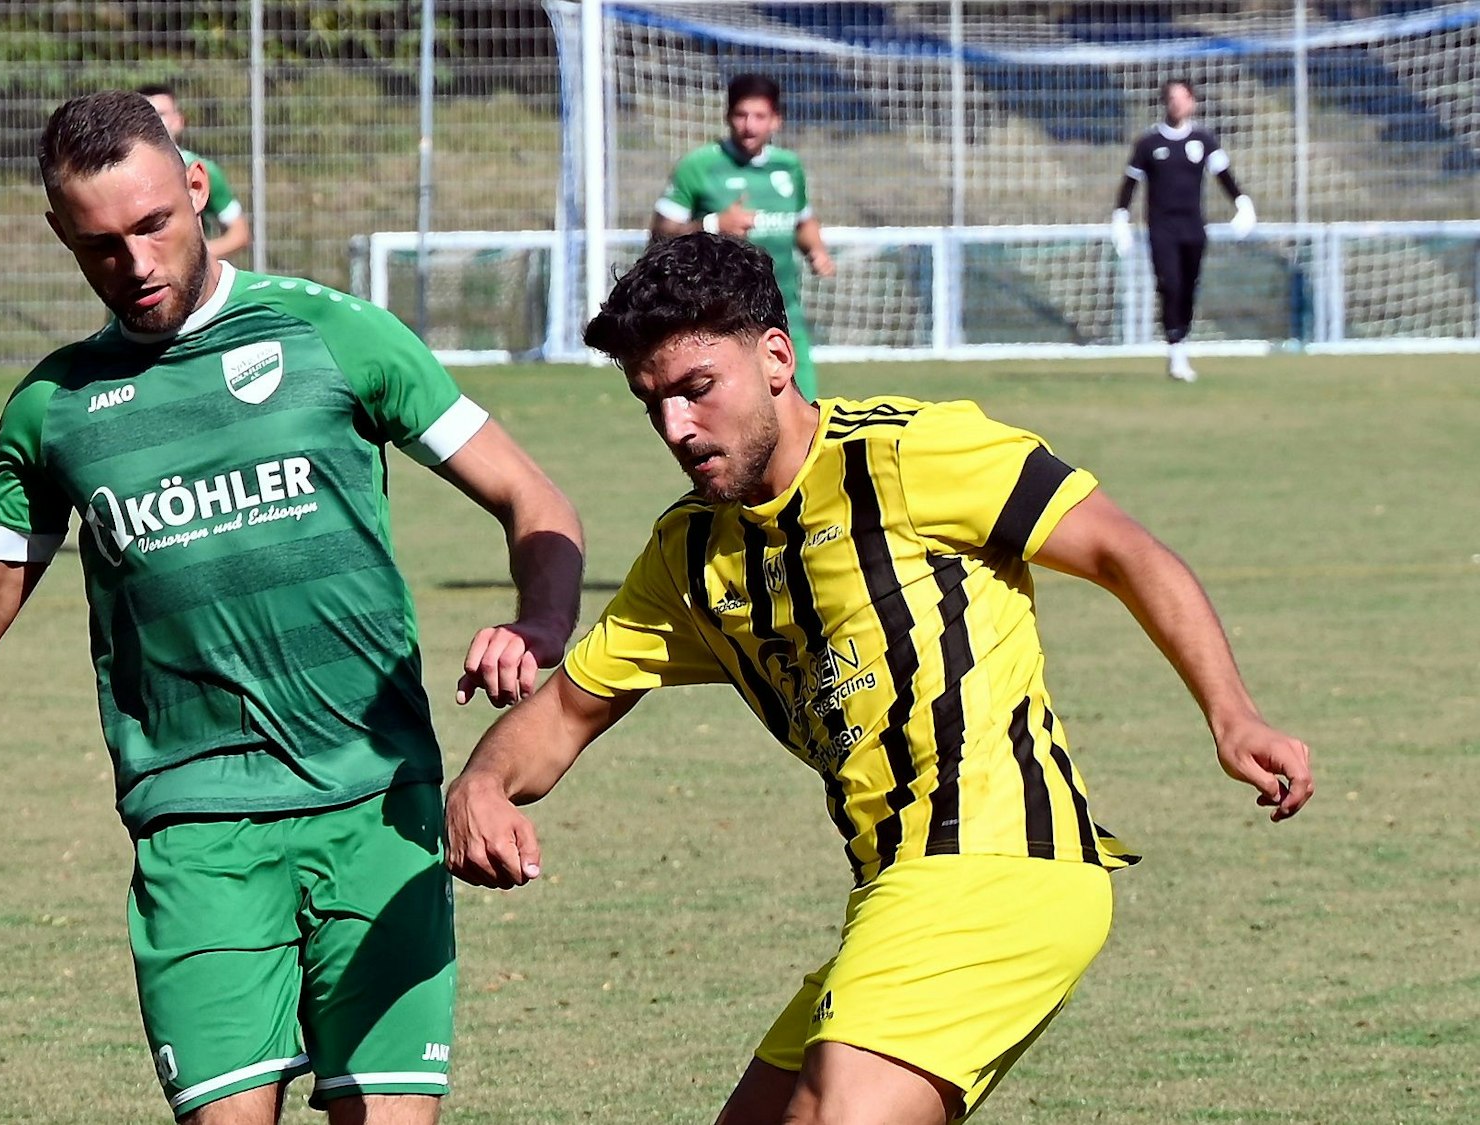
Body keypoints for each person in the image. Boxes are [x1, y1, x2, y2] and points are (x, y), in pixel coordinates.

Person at [0, 90, 585, 1125]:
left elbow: (531, 498)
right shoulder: (54, 412)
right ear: (60, 237)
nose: (133, 264)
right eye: (98, 246)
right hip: (196, 832)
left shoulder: (333, 335)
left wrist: (537, 624)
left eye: (151, 225)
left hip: (375, 809)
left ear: (197, 190)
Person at [444, 233, 1313, 1125]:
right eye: (652, 403)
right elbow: (563, 715)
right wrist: (482, 780)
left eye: (698, 389)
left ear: (776, 357)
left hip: (1001, 865)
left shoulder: (914, 454)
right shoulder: (693, 555)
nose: (677, 427)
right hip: (894, 892)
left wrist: (1232, 714)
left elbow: (1127, 551)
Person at [651, 73, 833, 401]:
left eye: (760, 116)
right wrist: (712, 224)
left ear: (776, 120)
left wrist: (816, 250)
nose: (749, 126)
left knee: (803, 405)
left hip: (783, 308)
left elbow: (803, 220)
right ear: (727, 116)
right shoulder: (700, 165)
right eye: (741, 115)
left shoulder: (788, 167)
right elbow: (660, 233)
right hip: (722, 314)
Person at [1112, 79, 1256, 383]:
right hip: (1162, 230)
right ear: (1165, 103)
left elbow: (1224, 175)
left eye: (1182, 98)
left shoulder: (1203, 140)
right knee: (1170, 286)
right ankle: (1176, 352)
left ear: (1192, 102)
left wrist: (1243, 204)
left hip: (1193, 228)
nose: (1176, 104)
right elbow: (1130, 183)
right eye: (1171, 98)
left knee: (1188, 289)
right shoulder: (1148, 144)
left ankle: (1182, 342)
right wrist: (1120, 217)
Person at [140, 82, 253, 261]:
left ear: (178, 121)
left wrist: (192, 258)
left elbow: (239, 233)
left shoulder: (201, 170)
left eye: (160, 114)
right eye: (144, 116)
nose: (153, 122)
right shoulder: (120, 175)